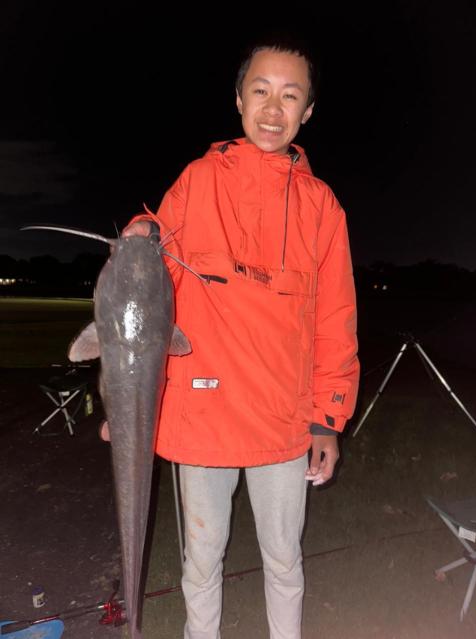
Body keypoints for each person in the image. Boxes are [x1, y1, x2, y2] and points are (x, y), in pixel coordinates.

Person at [105, 39, 359, 639]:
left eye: (290, 96)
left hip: (283, 416)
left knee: (284, 559)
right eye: (260, 91)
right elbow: (150, 277)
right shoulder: (196, 181)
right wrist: (128, 404)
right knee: (201, 558)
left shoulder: (322, 206)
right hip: (203, 409)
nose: (273, 109)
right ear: (239, 99)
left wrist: (327, 419)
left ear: (308, 111)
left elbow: (336, 319)